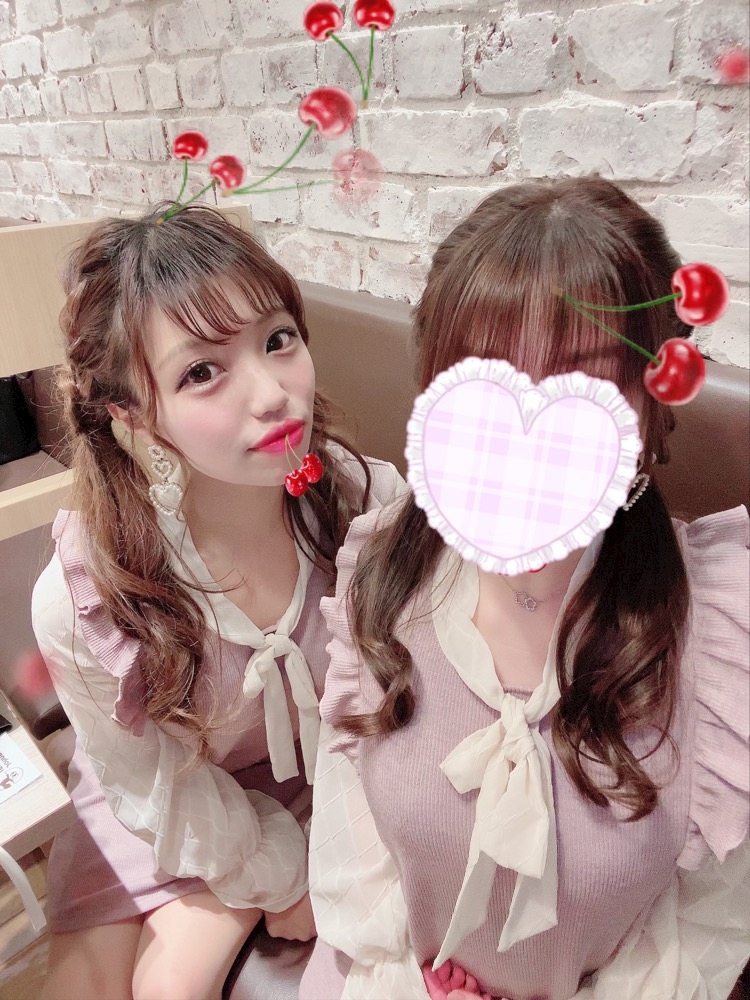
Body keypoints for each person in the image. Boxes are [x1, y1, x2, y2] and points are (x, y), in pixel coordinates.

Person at [300, 178, 750, 1000]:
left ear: (653, 401)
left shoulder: (721, 637)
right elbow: (351, 861)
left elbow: (708, 929)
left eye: (585, 385)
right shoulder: (382, 571)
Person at [30, 204, 404, 1000]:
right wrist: (279, 875)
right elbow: (153, 784)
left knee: (173, 985)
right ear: (129, 411)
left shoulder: (362, 505)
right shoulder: (86, 597)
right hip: (168, 795)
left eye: (278, 340)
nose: (273, 395)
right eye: (201, 372)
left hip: (318, 779)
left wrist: (318, 855)